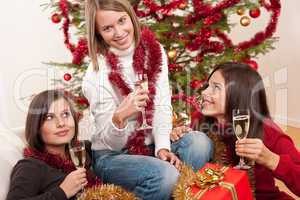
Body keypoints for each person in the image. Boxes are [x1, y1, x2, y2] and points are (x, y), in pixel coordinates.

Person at [82, 0, 213, 199]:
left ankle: (182, 195)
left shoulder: (154, 50)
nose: (119, 32)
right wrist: (120, 117)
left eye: (121, 21)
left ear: (130, 16)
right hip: (113, 155)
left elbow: (161, 105)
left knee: (199, 143)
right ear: (98, 33)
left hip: (149, 144)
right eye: (108, 28)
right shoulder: (95, 74)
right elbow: (111, 144)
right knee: (165, 174)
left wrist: (162, 147)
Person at [172, 62, 300, 199]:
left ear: (239, 95)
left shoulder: (268, 132)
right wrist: (178, 139)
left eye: (216, 87)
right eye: (208, 85)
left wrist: (272, 160)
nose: (204, 92)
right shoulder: (200, 120)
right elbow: (184, 169)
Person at [6, 90, 99, 200]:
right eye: (49, 117)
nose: (61, 123)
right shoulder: (30, 166)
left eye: (65, 114)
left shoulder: (83, 149)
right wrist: (62, 191)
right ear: (37, 126)